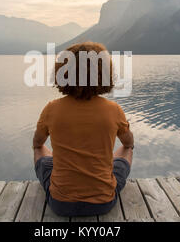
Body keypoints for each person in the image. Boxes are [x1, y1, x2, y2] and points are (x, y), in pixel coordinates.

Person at [32, 41, 134, 217]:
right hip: (103, 203)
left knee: (42, 155)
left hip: (60, 204)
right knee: (125, 152)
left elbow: (37, 142)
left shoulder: (51, 109)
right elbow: (128, 142)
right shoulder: (113, 110)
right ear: (104, 74)